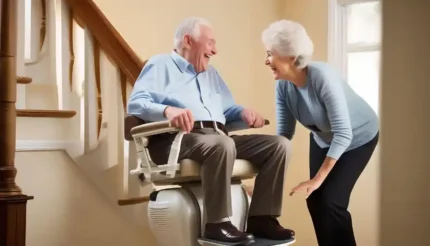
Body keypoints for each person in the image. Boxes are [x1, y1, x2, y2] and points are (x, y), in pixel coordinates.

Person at [127, 17, 295, 244]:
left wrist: (243, 113)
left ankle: (262, 218)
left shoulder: (211, 74)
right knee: (221, 144)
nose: (214, 50)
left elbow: (227, 109)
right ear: (187, 40)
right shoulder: (160, 65)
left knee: (279, 145)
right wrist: (167, 110)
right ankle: (217, 224)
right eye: (210, 43)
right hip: (177, 138)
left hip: (217, 136)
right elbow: (136, 103)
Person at [261, 20, 379, 246]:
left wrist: (317, 179)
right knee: (315, 200)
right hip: (324, 138)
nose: (266, 60)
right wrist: (263, 175)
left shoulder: (322, 77)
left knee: (331, 201)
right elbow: (284, 134)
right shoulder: (283, 85)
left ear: (292, 57)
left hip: (358, 137)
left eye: (270, 54)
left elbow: (344, 133)